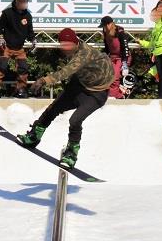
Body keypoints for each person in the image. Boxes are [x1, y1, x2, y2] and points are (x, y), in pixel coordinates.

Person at [17, 28, 115, 168]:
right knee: (54, 107)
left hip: (97, 93)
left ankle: (71, 154)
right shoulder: (73, 50)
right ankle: (34, 137)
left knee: (75, 120)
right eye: (63, 45)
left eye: (69, 45)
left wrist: (44, 81)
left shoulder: (84, 53)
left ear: (76, 43)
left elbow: (67, 71)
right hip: (80, 84)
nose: (66, 49)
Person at [0, 0, 36, 98]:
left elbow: (30, 31)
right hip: (7, 46)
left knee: (23, 68)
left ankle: (21, 89)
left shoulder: (28, 15)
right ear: (17, 2)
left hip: (19, 47)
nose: (23, 4)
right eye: (21, 2)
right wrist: (1, 37)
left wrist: (33, 39)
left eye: (25, 2)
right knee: (2, 66)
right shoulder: (7, 13)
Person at [98, 16, 131, 98]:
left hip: (122, 57)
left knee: (114, 76)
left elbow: (125, 47)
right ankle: (118, 95)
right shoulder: (105, 32)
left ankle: (114, 96)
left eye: (105, 25)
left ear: (110, 24)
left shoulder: (120, 32)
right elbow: (107, 47)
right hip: (112, 57)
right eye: (103, 26)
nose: (104, 28)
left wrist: (124, 64)